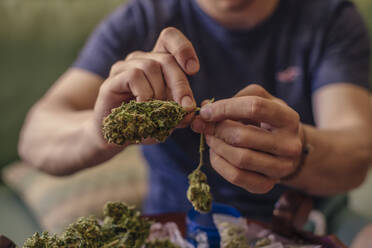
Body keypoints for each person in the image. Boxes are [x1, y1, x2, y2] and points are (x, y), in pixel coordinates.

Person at [18, 0, 372, 246]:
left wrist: (297, 152)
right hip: (178, 225)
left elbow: (356, 150)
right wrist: (104, 130)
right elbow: (36, 135)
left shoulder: (329, 18)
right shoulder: (142, 18)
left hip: (304, 220)